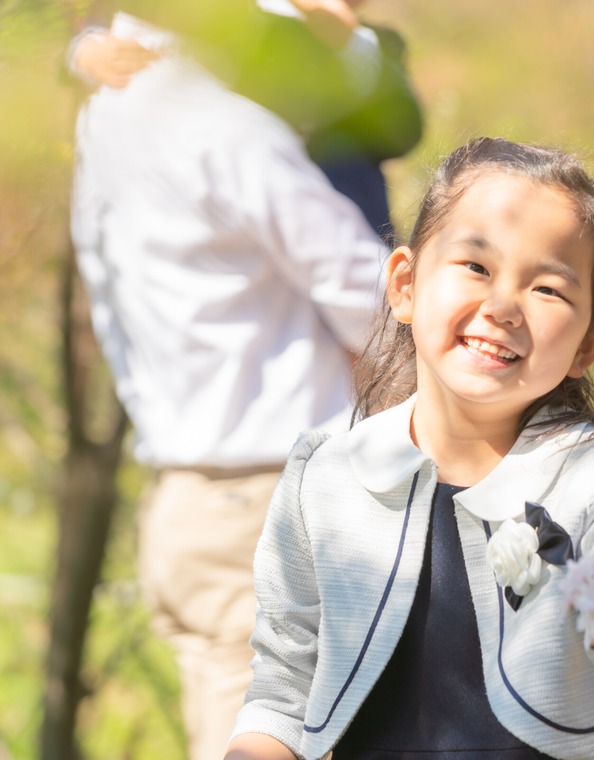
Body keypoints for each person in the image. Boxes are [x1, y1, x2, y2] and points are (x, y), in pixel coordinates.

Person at [223, 137, 594, 760]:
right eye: (476, 266)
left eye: (549, 289)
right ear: (405, 285)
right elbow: (284, 689)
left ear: (587, 345)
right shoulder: (328, 474)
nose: (502, 306)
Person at [69, 7, 387, 760]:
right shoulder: (227, 128)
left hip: (184, 502)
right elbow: (368, 293)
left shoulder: (104, 124)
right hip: (261, 499)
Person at [68, 0, 423, 243]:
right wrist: (81, 53)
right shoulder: (240, 21)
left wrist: (350, 44)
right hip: (231, 240)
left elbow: (403, 132)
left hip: (350, 238)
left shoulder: (379, 44)